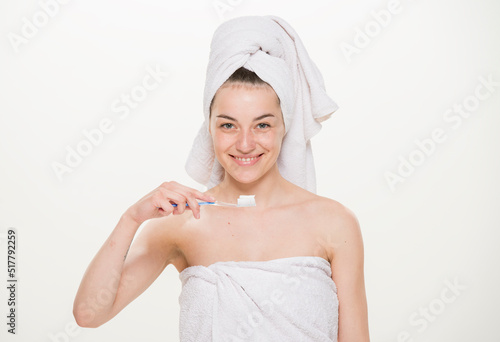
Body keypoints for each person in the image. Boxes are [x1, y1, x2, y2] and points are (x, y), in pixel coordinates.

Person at [73, 15, 369, 342]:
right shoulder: (184, 222)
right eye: (228, 125)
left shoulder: (334, 223)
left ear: (284, 126)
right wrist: (131, 219)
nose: (245, 144)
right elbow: (89, 313)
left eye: (262, 125)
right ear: (209, 128)